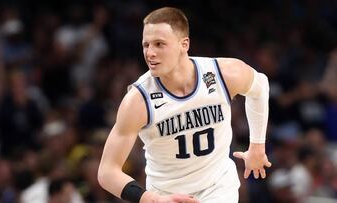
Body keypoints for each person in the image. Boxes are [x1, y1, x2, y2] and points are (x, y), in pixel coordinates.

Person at [98, 7, 271, 203]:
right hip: (166, 195)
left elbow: (260, 86)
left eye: (159, 44)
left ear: (184, 44)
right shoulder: (138, 100)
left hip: (218, 188)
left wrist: (257, 144)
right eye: (146, 45)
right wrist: (150, 199)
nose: (150, 53)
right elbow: (107, 171)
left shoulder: (222, 74)